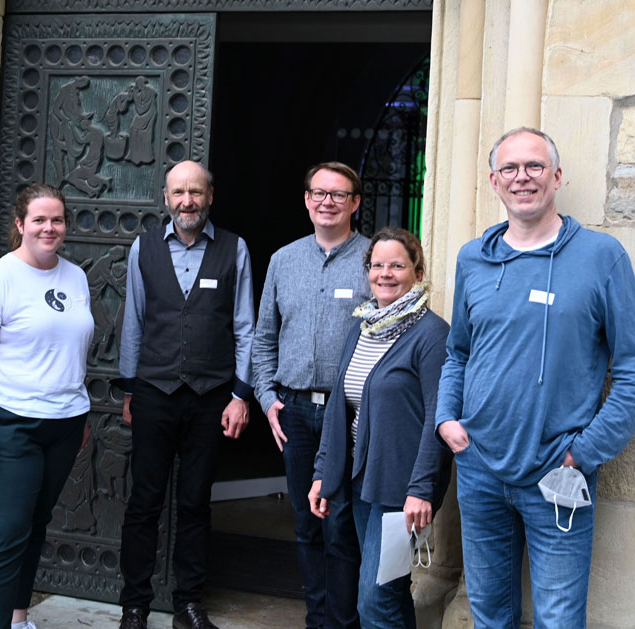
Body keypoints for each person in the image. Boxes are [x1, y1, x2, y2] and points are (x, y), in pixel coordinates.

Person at [435, 128, 635, 627]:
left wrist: (584, 451)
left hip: (559, 473)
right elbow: (459, 352)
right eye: (510, 169)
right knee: (490, 614)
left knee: (558, 618)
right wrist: (448, 418)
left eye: (534, 166)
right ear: (494, 181)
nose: (522, 178)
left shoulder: (602, 257)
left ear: (557, 176)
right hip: (479, 469)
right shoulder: (474, 258)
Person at [117, 160, 255, 629]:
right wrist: (131, 389)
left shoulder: (234, 250)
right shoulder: (144, 248)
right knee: (144, 502)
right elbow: (133, 321)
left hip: (211, 395)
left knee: (196, 502)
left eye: (196, 192)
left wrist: (240, 394)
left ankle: (188, 604)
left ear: (210, 196)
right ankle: (134, 604)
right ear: (166, 197)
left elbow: (244, 326)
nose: (187, 201)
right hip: (154, 392)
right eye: (179, 193)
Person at [0, 184, 95, 629]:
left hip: (65, 423)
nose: (49, 228)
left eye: (57, 220)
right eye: (39, 219)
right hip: (11, 425)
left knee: (36, 525)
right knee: (5, 535)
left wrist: (80, 414)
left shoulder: (75, 276)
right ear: (19, 224)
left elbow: (70, 350)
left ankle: (18, 620)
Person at [309, 227, 452, 628]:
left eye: (397, 265)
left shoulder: (432, 335)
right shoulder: (362, 326)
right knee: (387, 589)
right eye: (377, 265)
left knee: (375, 597)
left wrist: (421, 490)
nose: (385, 274)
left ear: (418, 272)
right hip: (360, 481)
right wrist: (323, 474)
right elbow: (342, 405)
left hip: (401, 491)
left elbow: (437, 418)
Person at [252, 162, 369, 628]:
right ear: (306, 200)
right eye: (319, 193)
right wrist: (266, 398)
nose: (327, 202)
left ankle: (344, 622)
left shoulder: (371, 258)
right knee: (305, 523)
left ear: (355, 203)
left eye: (339, 195)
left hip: (348, 413)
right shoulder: (283, 260)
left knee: (341, 524)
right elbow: (264, 338)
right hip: (295, 410)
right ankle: (317, 619)